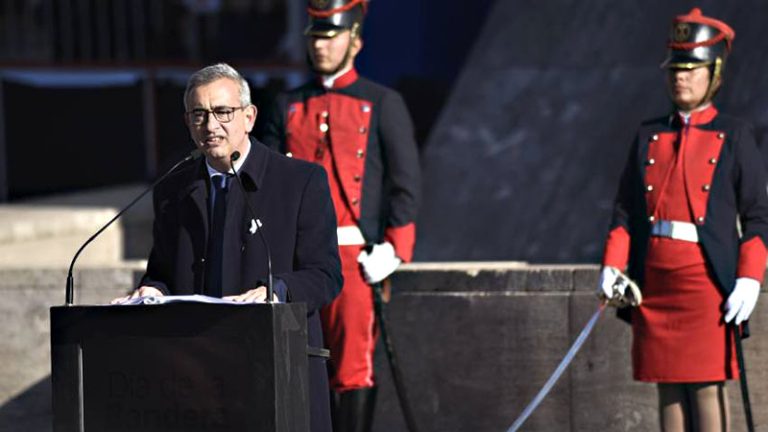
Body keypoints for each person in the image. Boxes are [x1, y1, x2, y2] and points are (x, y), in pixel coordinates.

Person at [113, 63, 342, 432]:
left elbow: (325, 275)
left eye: (222, 112)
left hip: (278, 368)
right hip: (198, 375)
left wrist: (276, 290)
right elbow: (163, 271)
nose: (210, 125)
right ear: (187, 122)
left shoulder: (299, 181)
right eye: (199, 114)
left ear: (249, 117)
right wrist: (152, 290)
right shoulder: (173, 188)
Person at [598, 8, 768, 431]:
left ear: (715, 74)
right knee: (667, 386)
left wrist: (750, 278)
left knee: (708, 387)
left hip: (705, 284)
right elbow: (625, 210)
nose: (680, 78)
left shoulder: (735, 134)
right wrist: (611, 266)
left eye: (691, 70)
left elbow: (758, 216)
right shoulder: (648, 133)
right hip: (655, 284)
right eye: (675, 69)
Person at [259, 0, 421, 430]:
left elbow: (405, 181)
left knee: (353, 370)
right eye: (316, 37)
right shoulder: (286, 104)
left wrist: (395, 249)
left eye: (331, 37)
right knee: (295, 366)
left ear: (355, 41)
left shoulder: (382, 102)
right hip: (295, 258)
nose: (321, 46)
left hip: (355, 258)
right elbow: (268, 182)